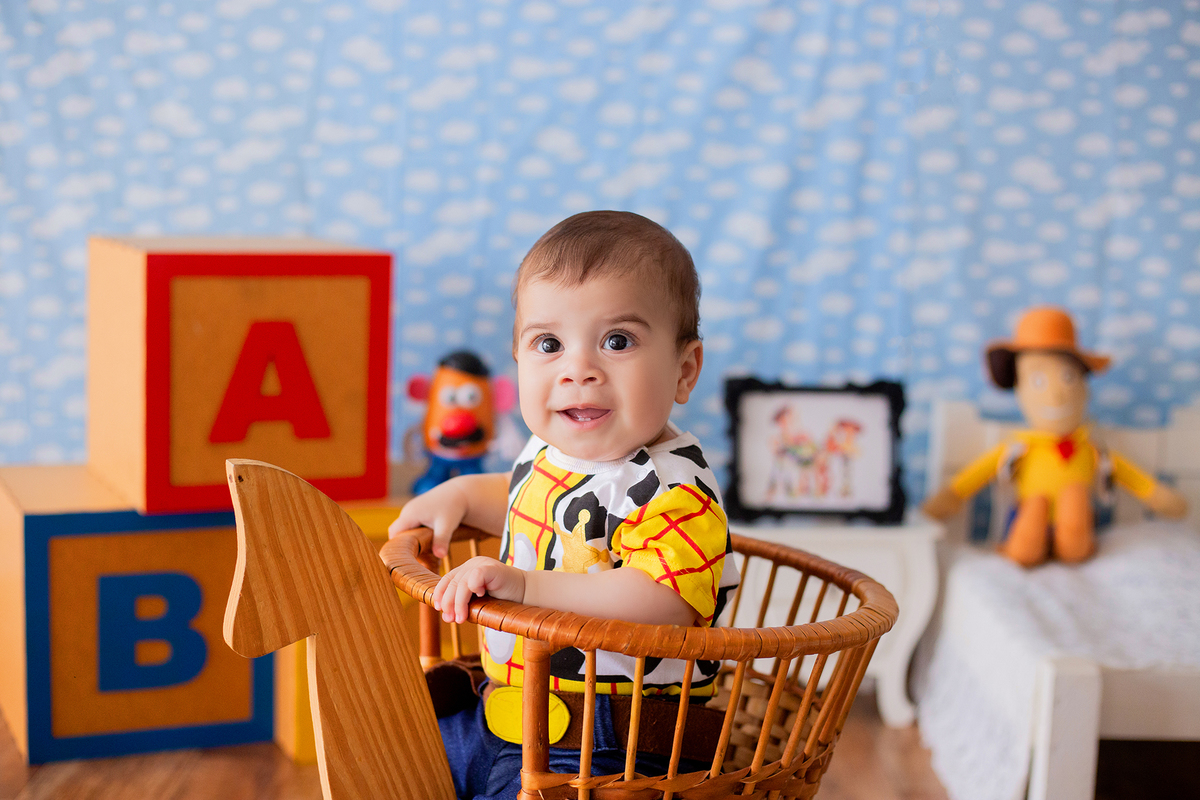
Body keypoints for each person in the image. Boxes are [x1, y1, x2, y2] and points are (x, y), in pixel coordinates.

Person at [390, 210, 739, 799]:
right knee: (390, 761)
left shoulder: (674, 489)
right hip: (501, 711)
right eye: (549, 344)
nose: (579, 370)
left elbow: (663, 598)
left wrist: (527, 587)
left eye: (617, 341)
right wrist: (459, 494)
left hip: (612, 742)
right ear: (518, 359)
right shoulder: (552, 450)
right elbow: (524, 498)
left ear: (684, 371)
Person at [923, 306, 1187, 566]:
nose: (1056, 394)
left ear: (1084, 386)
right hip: (1026, 515)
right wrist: (946, 499)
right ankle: (1026, 544)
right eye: (1038, 381)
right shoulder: (1019, 448)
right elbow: (972, 477)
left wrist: (1159, 497)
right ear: (1020, 388)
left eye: (1068, 377)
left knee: (1075, 497)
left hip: (1080, 527)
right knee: (1035, 506)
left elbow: (1133, 477)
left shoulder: (1091, 449)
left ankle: (1074, 540)